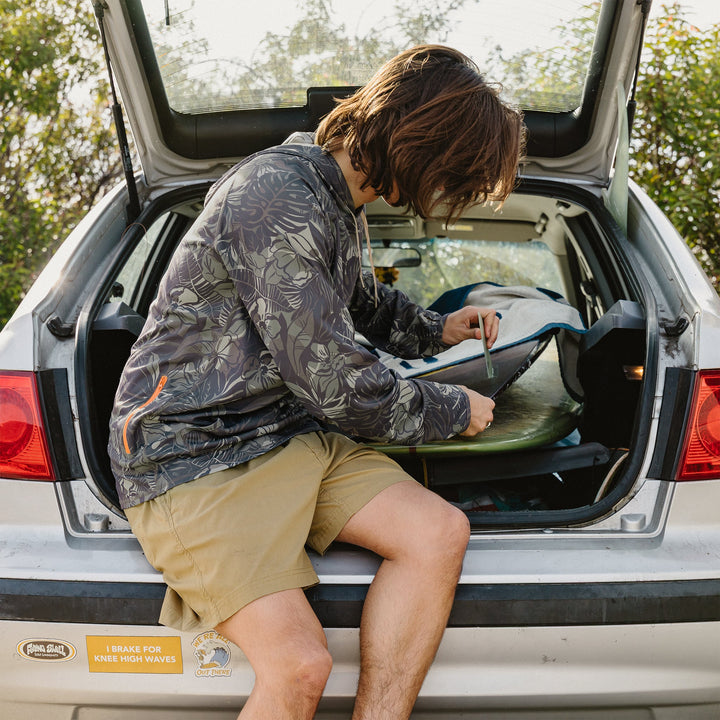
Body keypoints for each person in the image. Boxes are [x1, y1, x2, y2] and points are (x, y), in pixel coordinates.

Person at [108, 44, 524, 719]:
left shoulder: (337, 199)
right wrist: (452, 407)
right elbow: (338, 385)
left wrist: (437, 330)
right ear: (412, 138)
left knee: (437, 533)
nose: (443, 195)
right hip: (192, 455)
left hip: (286, 432)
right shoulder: (276, 195)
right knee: (300, 667)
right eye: (449, 173)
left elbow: (356, 303)